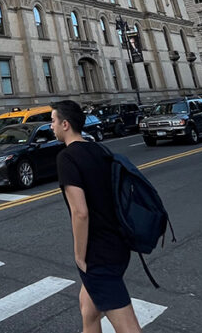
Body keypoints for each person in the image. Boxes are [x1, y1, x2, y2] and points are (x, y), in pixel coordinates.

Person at [50, 99, 141, 333]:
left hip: (99, 253)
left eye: (53, 121)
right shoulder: (99, 149)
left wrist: (79, 256)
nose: (51, 126)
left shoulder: (67, 157)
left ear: (66, 124)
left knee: (129, 328)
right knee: (88, 310)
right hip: (118, 243)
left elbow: (80, 212)